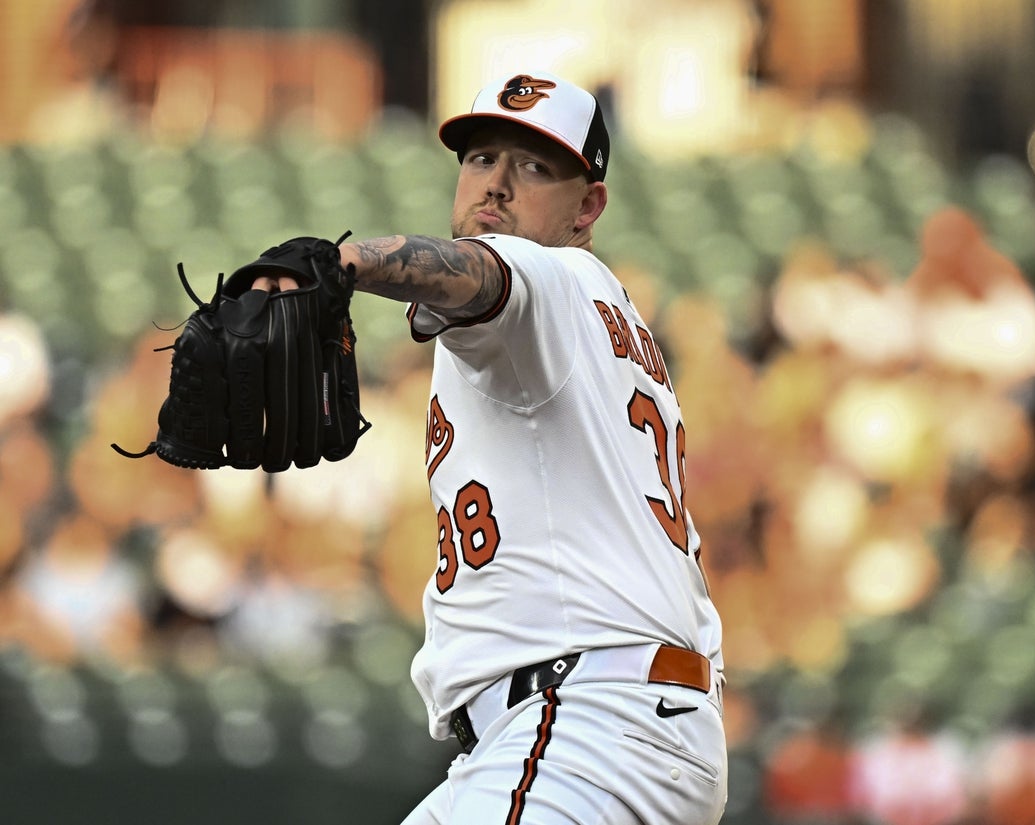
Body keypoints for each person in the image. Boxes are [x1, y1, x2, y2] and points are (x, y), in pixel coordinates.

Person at [262, 71, 728, 824]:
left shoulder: (554, 278)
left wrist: (344, 263)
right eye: (481, 158)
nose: (497, 184)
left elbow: (482, 275)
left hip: (585, 723)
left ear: (587, 207)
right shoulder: (593, 313)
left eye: (535, 167)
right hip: (584, 728)